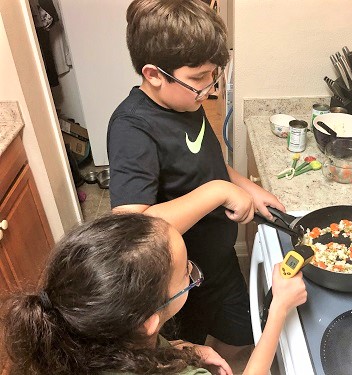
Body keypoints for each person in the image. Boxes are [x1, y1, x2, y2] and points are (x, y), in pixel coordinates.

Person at [107, 0, 285, 356]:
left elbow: (210, 163)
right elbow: (131, 226)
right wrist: (219, 192)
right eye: (198, 79)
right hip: (177, 282)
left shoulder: (186, 103)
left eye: (213, 75)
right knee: (188, 350)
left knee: (242, 336)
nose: (210, 89)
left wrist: (246, 187)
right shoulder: (133, 128)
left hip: (218, 260)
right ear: (154, 74)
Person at [2, 213, 307, 375]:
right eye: (187, 274)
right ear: (148, 322)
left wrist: (183, 349)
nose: (192, 273)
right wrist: (278, 308)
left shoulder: (75, 339)